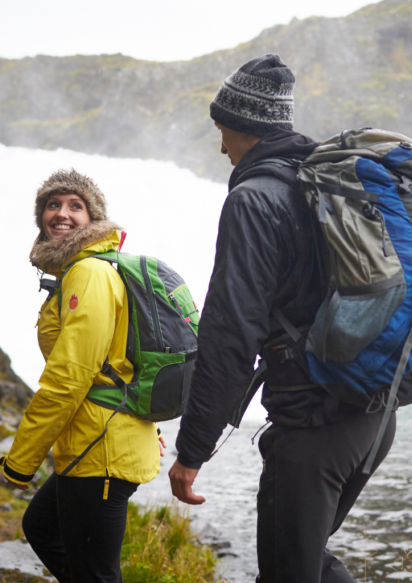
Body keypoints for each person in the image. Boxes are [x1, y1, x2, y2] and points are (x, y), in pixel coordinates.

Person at [168, 54, 397, 583]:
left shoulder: (254, 200)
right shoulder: (324, 184)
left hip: (316, 427)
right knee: (307, 561)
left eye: (221, 127)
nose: (219, 144)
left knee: (287, 572)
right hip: (373, 414)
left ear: (242, 125)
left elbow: (229, 334)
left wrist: (192, 449)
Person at [0, 169, 164, 583]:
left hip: (101, 450)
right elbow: (122, 358)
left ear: (94, 219)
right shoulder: (77, 270)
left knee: (97, 573)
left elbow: (69, 377)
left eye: (76, 206)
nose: (62, 214)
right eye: (53, 205)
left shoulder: (89, 273)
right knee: (42, 528)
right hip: (97, 438)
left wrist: (21, 461)